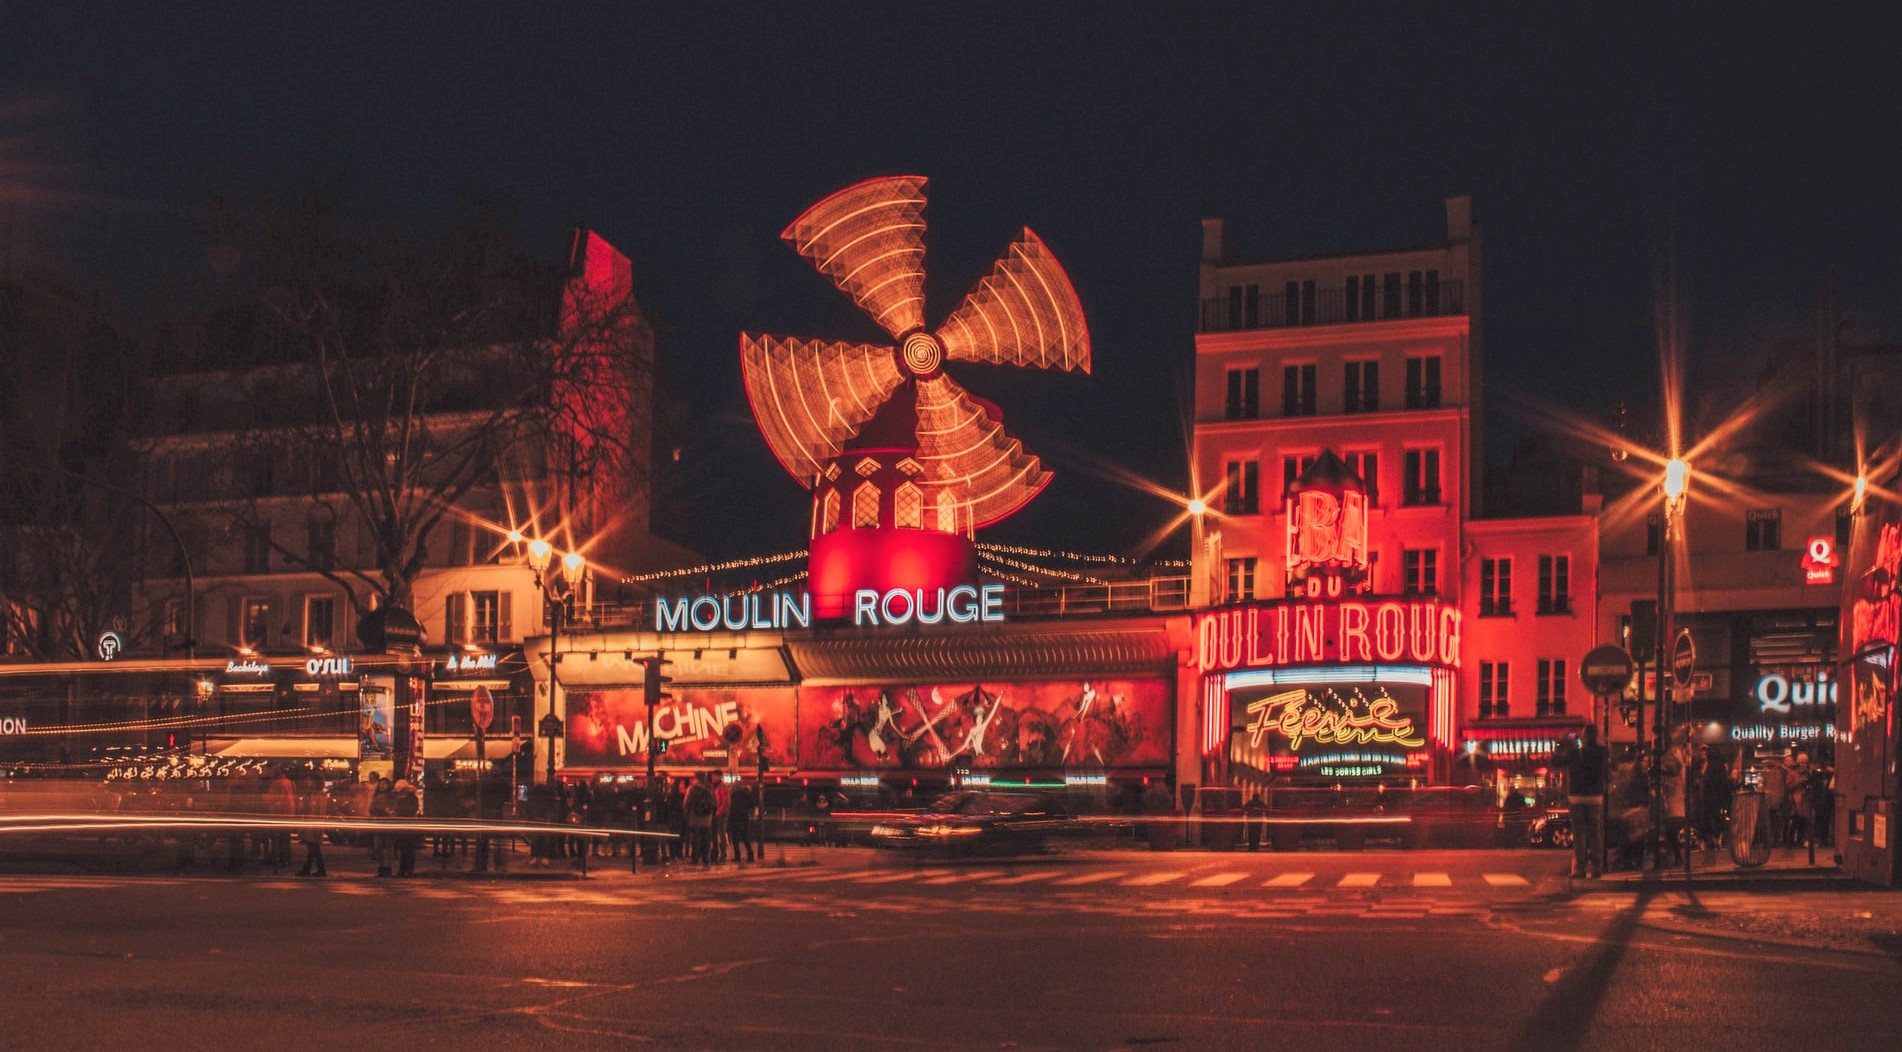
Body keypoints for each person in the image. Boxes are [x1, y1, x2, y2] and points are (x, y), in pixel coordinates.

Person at [1566, 726, 1608, 878]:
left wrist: (1567, 742)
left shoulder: (1575, 753)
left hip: (1576, 796)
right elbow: (1605, 770)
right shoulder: (1602, 753)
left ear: (1583, 737)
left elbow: (1557, 759)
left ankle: (1580, 869)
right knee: (1595, 833)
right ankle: (1597, 867)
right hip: (1595, 796)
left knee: (1580, 834)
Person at [391, 778, 420, 877]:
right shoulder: (400, 798)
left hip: (408, 825)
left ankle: (407, 869)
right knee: (403, 849)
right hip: (402, 824)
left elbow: (411, 810)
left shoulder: (411, 798)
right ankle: (403, 869)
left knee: (407, 849)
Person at [684, 774, 716, 866]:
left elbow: (686, 802)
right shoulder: (710, 788)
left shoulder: (692, 788)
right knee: (706, 839)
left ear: (696, 778)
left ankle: (695, 859)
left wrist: (687, 814)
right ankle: (706, 858)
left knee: (695, 839)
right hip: (707, 818)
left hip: (695, 817)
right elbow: (715, 803)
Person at [728, 780, 756, 863]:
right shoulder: (746, 793)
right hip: (744, 817)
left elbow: (730, 805)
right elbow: (752, 804)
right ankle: (750, 855)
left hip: (734, 817)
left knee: (735, 838)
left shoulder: (732, 794)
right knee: (745, 837)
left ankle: (737, 856)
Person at [711, 776, 732, 863]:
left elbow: (725, 802)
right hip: (719, 813)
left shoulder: (721, 787)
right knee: (720, 834)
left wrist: (718, 812)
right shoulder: (718, 787)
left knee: (721, 834)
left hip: (721, 814)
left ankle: (723, 853)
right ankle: (721, 853)